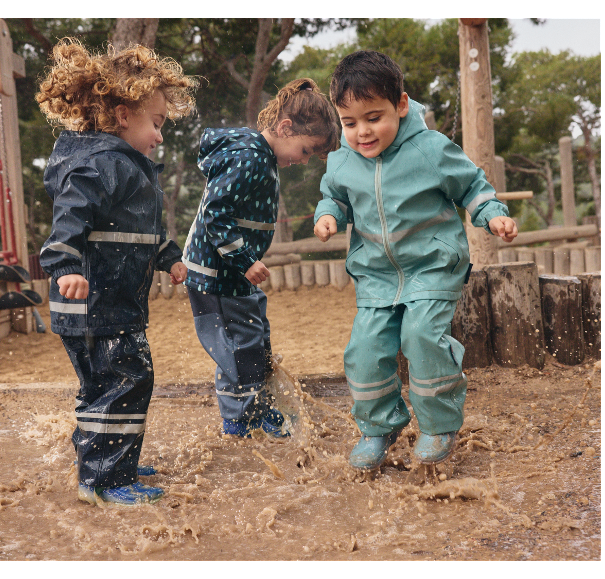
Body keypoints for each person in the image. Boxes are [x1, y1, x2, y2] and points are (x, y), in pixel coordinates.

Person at [313, 51, 518, 470]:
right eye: (350, 123)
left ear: (401, 105)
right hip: (375, 275)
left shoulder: (430, 148)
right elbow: (333, 195)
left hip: (432, 265)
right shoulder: (342, 160)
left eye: (374, 117)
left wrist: (492, 214)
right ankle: (378, 428)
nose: (362, 132)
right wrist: (328, 216)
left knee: (422, 336)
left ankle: (439, 424)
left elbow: (471, 185)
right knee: (364, 350)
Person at [35, 38, 198, 505]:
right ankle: (104, 480)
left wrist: (168, 256)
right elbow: (69, 216)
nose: (161, 135)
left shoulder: (122, 164)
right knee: (127, 379)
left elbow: (139, 228)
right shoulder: (103, 163)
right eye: (158, 123)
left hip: (100, 304)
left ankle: (104, 459)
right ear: (124, 115)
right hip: (98, 303)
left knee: (103, 385)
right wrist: (64, 263)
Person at [183, 78, 340, 438]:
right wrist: (245, 260)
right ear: (286, 128)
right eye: (304, 151)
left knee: (252, 334)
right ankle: (242, 418)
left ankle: (253, 408)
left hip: (230, 270)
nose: (302, 161)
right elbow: (215, 214)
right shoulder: (250, 156)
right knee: (239, 343)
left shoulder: (259, 155)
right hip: (217, 271)